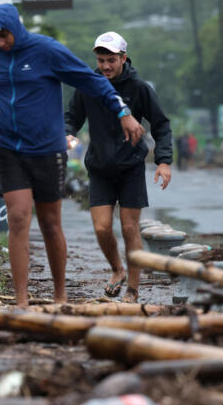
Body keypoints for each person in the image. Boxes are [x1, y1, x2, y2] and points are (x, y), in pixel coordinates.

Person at [0, 5, 145, 308]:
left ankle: (60, 295)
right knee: (18, 218)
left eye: (3, 35)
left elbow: (92, 80)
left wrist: (122, 111)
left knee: (49, 223)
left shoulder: (46, 50)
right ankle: (22, 302)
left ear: (14, 28)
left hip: (47, 150)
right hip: (10, 148)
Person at [65, 31, 172, 303]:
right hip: (99, 166)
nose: (106, 66)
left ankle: (133, 288)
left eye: (111, 60)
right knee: (102, 228)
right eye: (101, 60)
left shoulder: (139, 88)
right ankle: (117, 270)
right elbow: (71, 117)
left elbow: (161, 124)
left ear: (123, 58)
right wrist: (68, 133)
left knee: (128, 228)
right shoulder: (88, 85)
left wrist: (163, 161)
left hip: (130, 167)